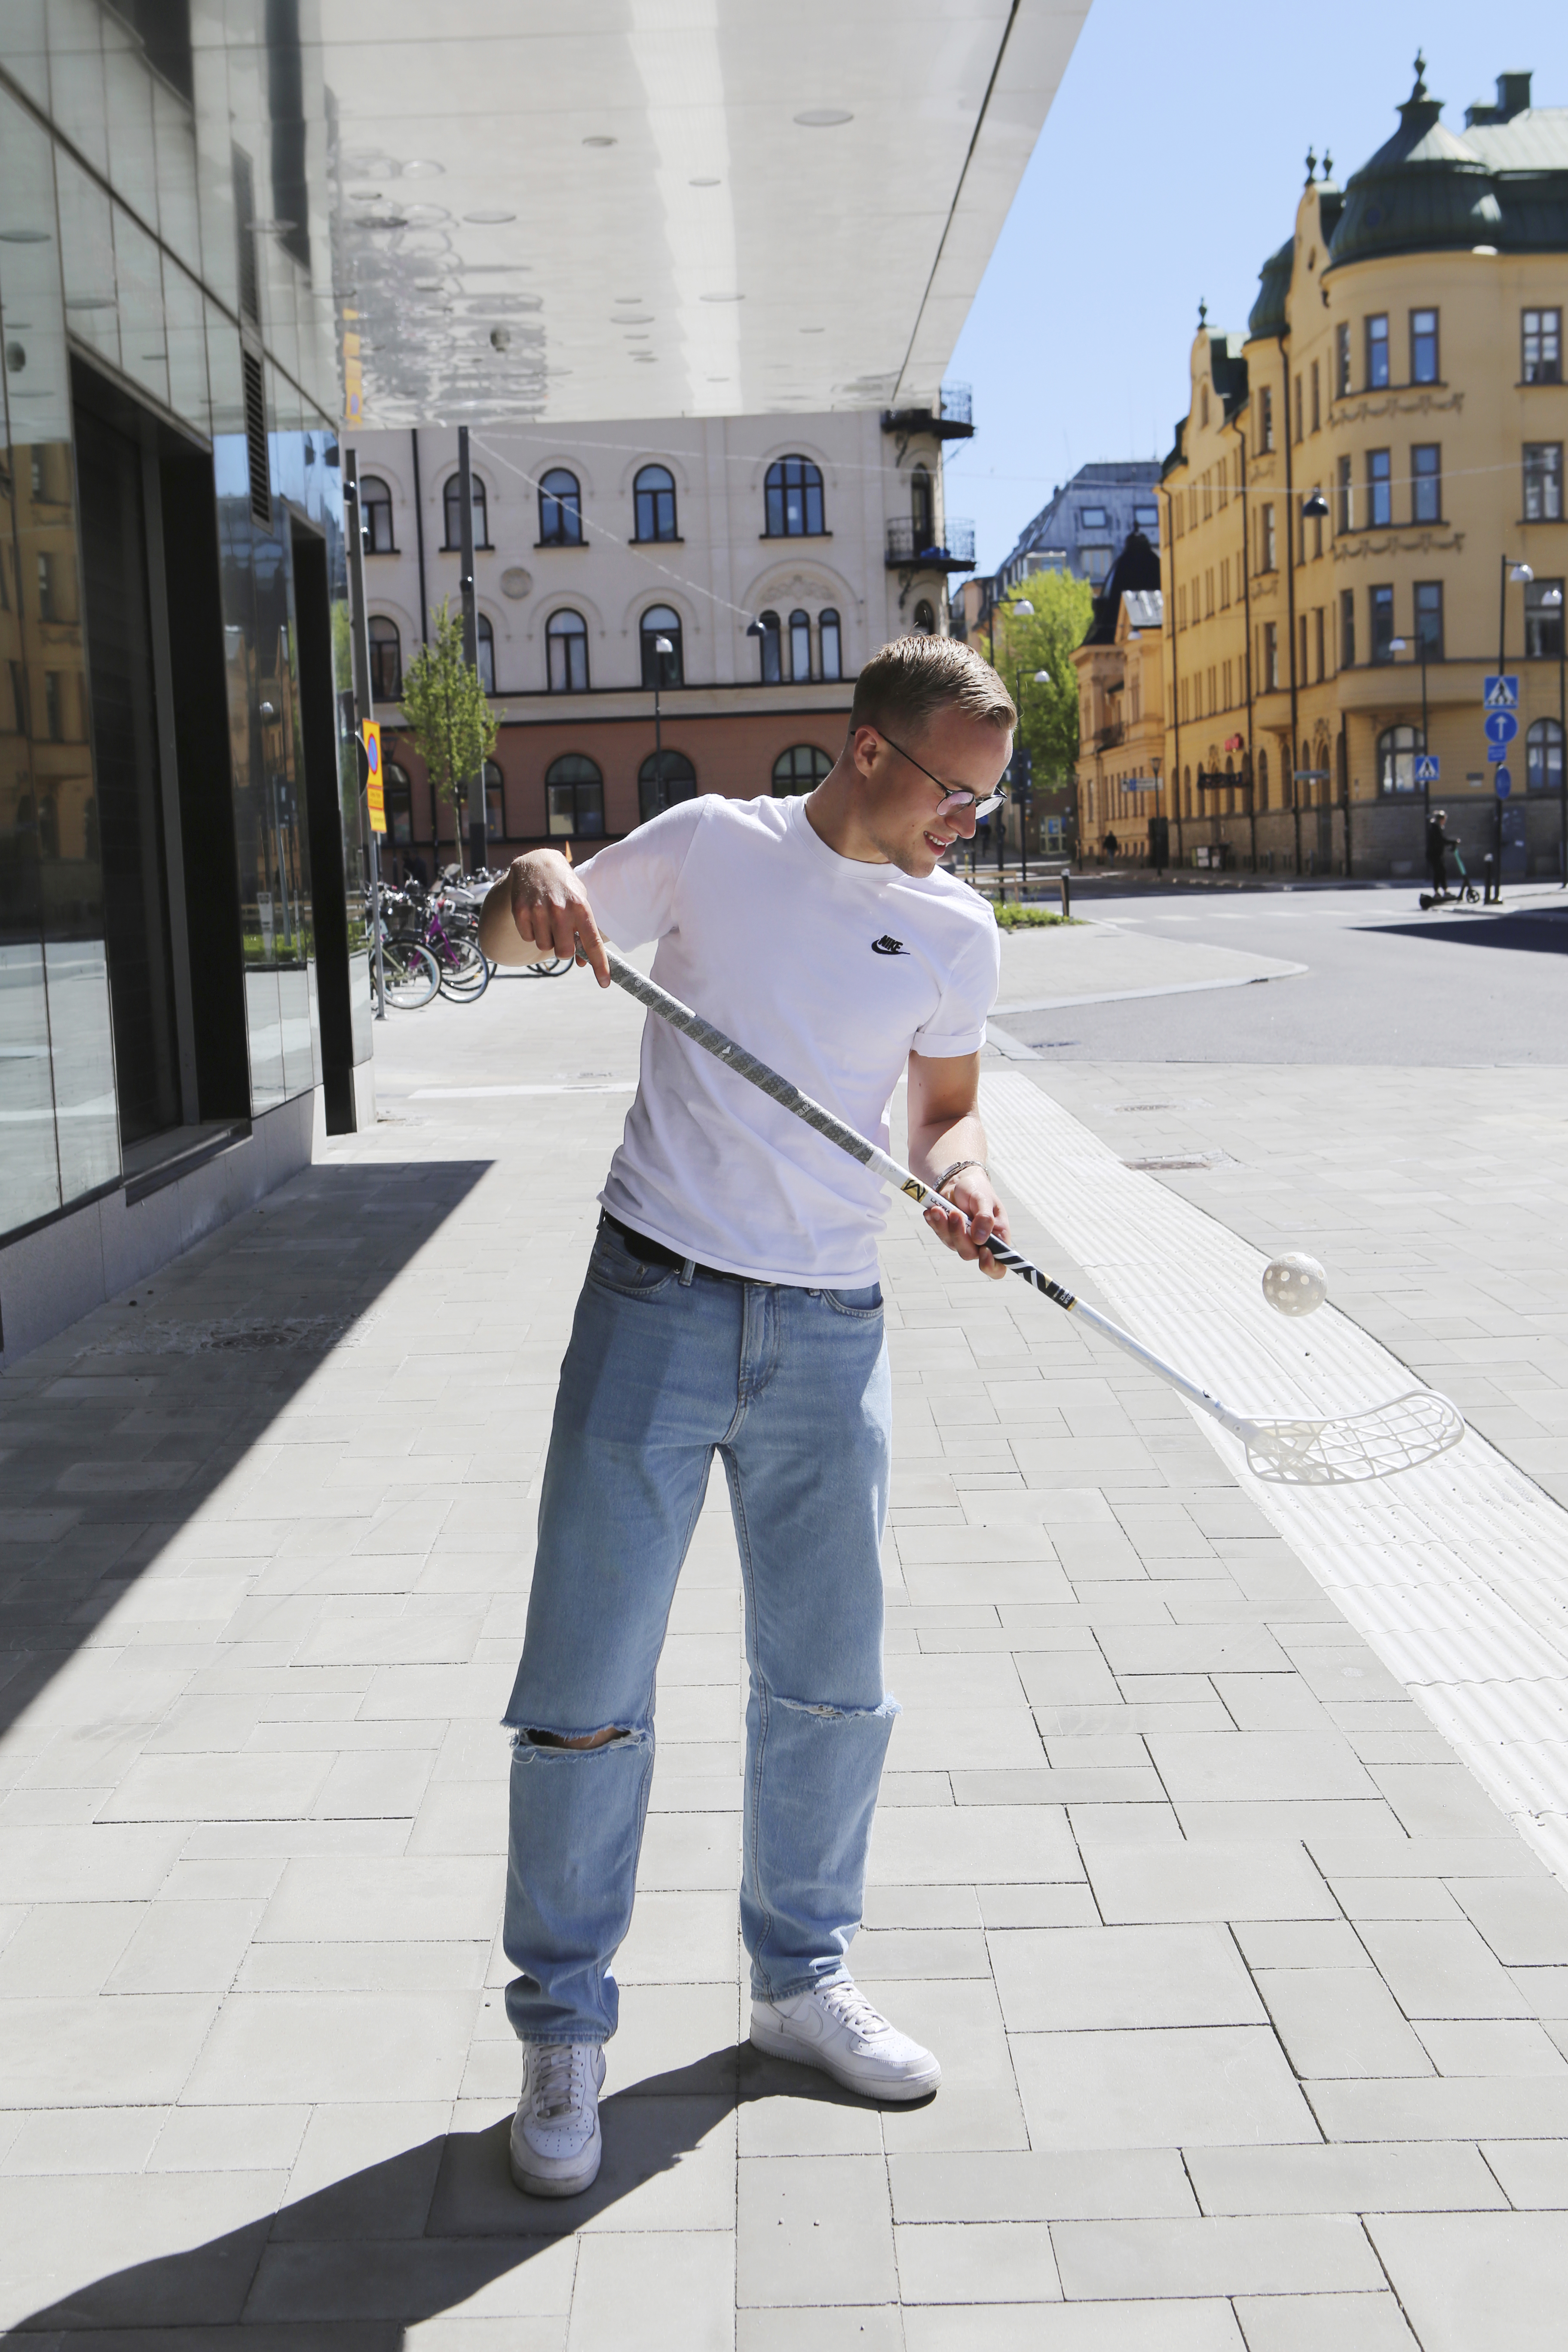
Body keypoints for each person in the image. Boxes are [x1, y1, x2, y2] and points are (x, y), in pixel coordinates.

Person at [478, 635, 1015, 2199]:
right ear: (865, 751)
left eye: (983, 800)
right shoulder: (713, 848)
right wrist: (529, 869)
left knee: (829, 1686)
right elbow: (522, 938)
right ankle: (563, 2024)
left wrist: (966, 1177)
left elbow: (949, 1106)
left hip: (831, 1326)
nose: (964, 824)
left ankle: (797, 1981)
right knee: (584, 1685)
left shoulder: (952, 929)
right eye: (951, 792)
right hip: (653, 1301)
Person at [1425, 809, 1457, 900]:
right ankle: (1437, 893)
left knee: (1442, 872)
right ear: (1440, 820)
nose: (1445, 822)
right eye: (1444, 820)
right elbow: (1441, 841)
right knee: (1438, 872)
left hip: (1438, 855)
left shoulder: (1438, 828)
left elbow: (1442, 841)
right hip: (1434, 855)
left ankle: (1445, 891)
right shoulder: (1435, 828)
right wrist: (1453, 842)